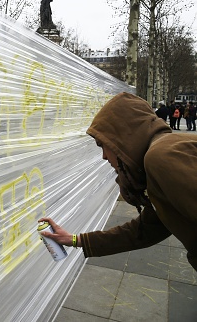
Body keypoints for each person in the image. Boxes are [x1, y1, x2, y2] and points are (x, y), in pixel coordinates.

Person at [40, 92, 197, 271]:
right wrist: (75, 239)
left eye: (103, 145)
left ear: (123, 138)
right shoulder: (159, 157)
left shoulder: (161, 157)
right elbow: (147, 229)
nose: (104, 156)